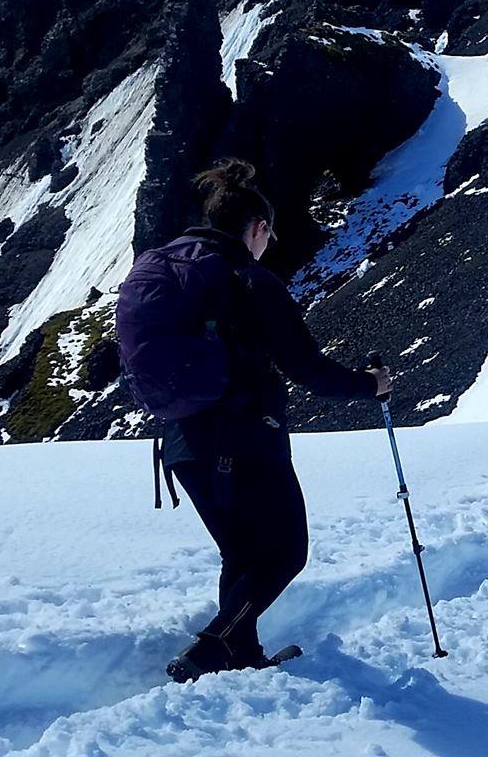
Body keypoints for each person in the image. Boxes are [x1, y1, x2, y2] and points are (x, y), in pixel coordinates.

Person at [131, 160, 391, 682]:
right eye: (267, 234)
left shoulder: (170, 272)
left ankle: (242, 657)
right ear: (256, 227)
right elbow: (306, 366)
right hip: (245, 440)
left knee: (243, 554)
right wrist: (371, 384)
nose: (267, 244)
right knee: (286, 552)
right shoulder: (248, 281)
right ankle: (208, 651)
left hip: (182, 444)